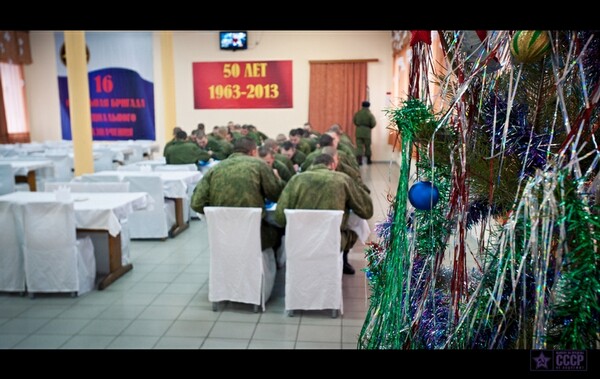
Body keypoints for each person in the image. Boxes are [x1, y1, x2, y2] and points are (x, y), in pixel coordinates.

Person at [274, 153, 373, 275]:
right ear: (332, 164)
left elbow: (279, 217)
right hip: (332, 241)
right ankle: (343, 261)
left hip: (301, 241)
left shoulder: (296, 180)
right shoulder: (342, 179)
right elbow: (367, 211)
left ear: (313, 165)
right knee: (353, 228)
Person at [191, 137, 285, 251]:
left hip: (223, 235)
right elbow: (276, 195)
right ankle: (271, 267)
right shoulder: (259, 165)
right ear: (253, 151)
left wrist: (218, 213)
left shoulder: (215, 168)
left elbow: (196, 203)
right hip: (254, 234)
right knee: (279, 230)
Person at [353, 100, 377, 165]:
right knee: (367, 146)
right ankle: (368, 160)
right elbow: (373, 123)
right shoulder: (370, 114)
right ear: (369, 106)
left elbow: (354, 121)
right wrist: (369, 127)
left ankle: (359, 161)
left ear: (362, 105)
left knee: (359, 146)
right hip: (367, 132)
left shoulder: (358, 113)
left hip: (359, 131)